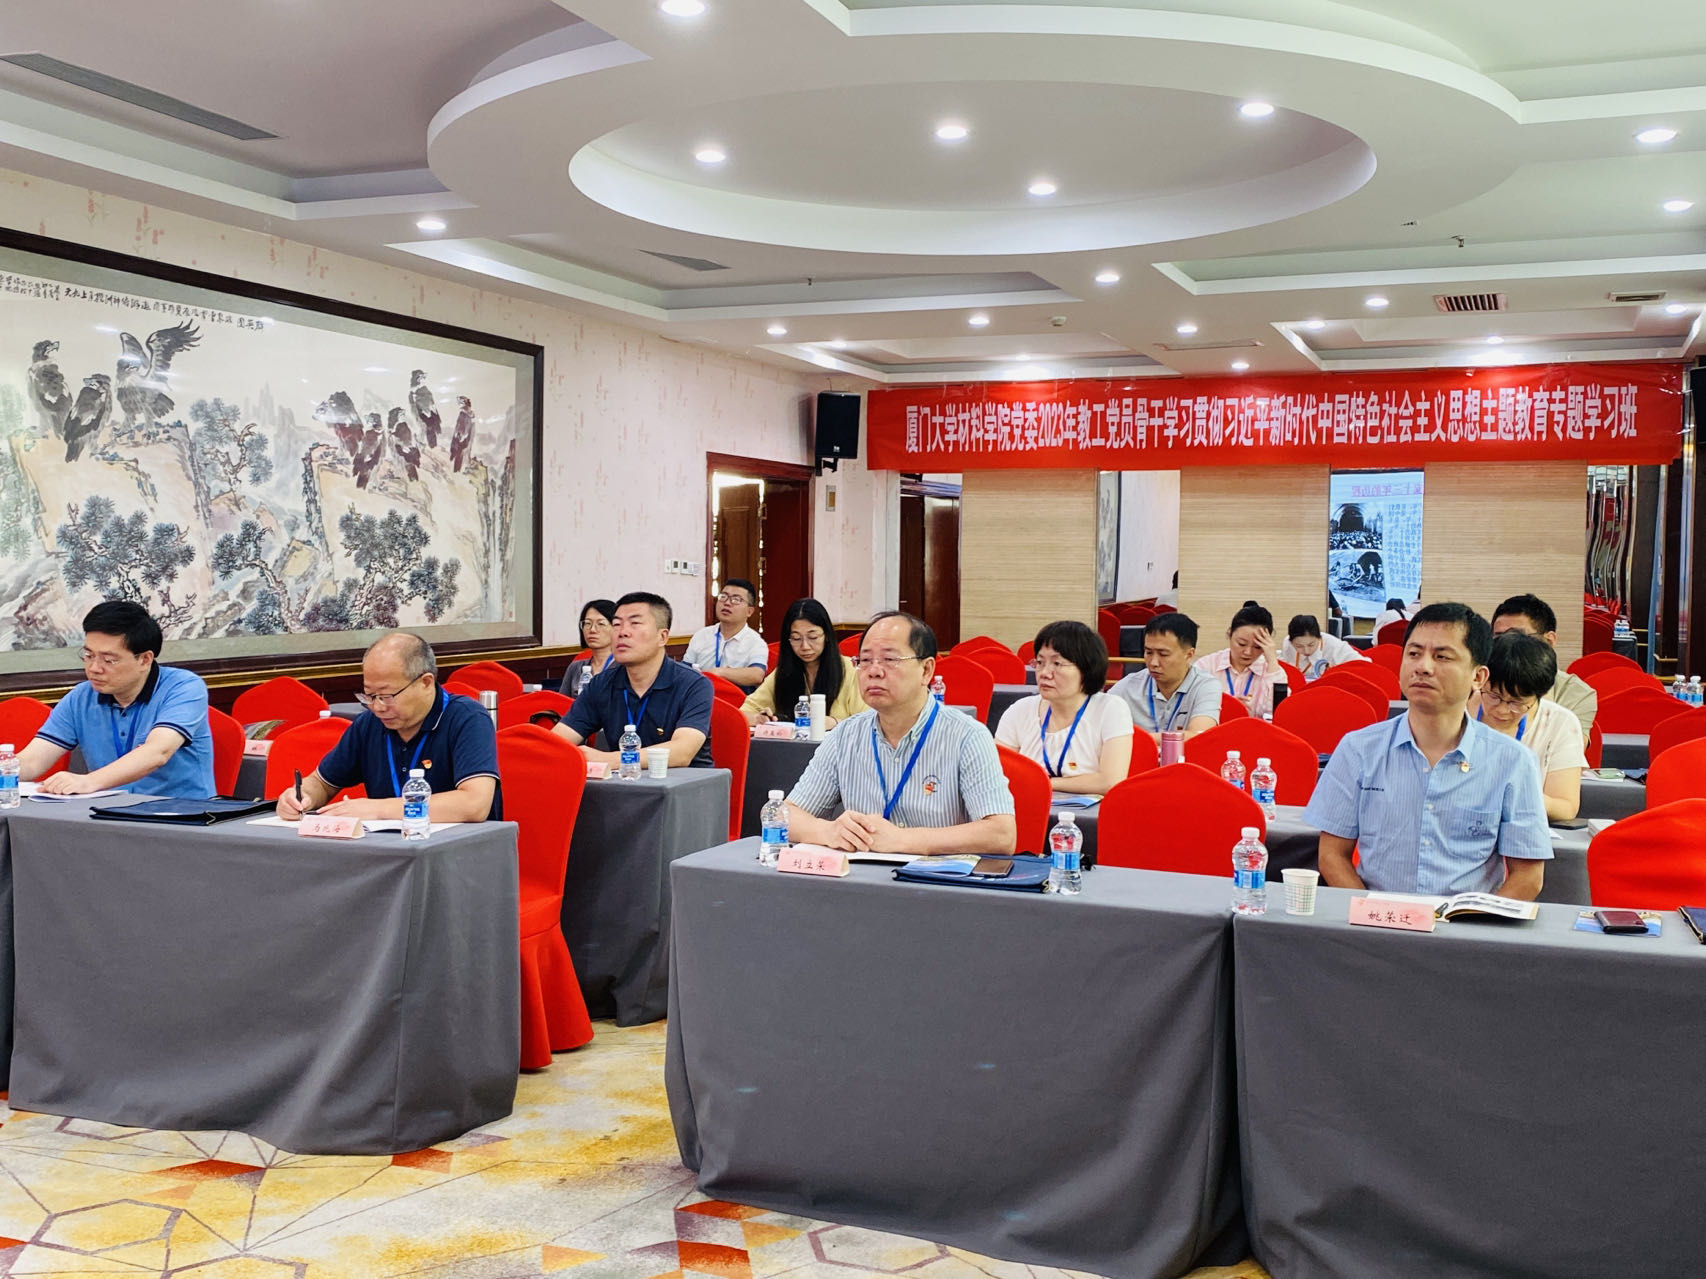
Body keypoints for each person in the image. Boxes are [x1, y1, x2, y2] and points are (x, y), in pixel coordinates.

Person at [1306, 602, 1550, 899]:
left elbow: (1528, 876)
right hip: (1378, 920)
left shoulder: (1512, 761)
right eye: (1413, 653)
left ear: (1478, 677)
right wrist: (1372, 914)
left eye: (1442, 656)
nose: (1423, 667)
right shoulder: (1358, 749)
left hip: (1466, 924)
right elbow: (1332, 855)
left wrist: (1476, 923)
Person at [785, 611, 1015, 854]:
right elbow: (785, 813)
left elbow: (1002, 835)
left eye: (889, 659)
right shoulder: (845, 735)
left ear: (926, 670)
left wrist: (904, 840)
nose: (874, 671)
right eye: (865, 660)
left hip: (936, 875)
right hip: (863, 874)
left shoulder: (967, 736)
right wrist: (829, 831)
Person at [276, 631, 501, 821]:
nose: (377, 707)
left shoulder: (467, 718)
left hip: (456, 852)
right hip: (388, 849)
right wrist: (301, 796)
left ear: (425, 683)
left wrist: (379, 809)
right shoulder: (369, 724)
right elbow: (322, 783)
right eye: (369, 695)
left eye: (387, 696)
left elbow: (474, 804)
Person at [19, 600, 215, 797]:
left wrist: (88, 781)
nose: (94, 668)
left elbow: (158, 752)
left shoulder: (184, 687)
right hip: (108, 810)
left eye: (109, 660)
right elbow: (32, 761)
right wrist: (7, 770)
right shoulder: (81, 697)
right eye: (88, 655)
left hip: (181, 811)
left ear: (144, 659)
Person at [556, 591, 714, 767]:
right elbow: (558, 740)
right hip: (624, 781)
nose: (622, 632)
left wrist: (609, 759)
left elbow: (681, 753)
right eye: (617, 624)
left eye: (635, 624)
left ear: (662, 637)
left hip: (687, 781)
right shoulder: (601, 684)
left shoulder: (694, 684)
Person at [995, 620, 1132, 794]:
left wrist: (1045, 783)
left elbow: (1109, 782)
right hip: (1027, 806)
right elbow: (996, 773)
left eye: (1057, 664)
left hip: (1090, 811)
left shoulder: (1110, 709)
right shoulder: (1020, 710)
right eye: (1040, 662)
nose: (1044, 673)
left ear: (1086, 668)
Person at [1473, 631, 1586, 823]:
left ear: (1539, 696)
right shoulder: (1456, 711)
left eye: (1516, 703)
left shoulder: (1560, 723)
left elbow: (1566, 807)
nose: (1502, 710)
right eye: (1493, 696)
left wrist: (1512, 794)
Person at [741, 597, 866, 727]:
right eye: (796, 638)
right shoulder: (784, 672)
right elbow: (743, 712)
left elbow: (868, 722)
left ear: (827, 635)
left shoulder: (851, 670)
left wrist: (835, 723)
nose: (805, 646)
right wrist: (758, 718)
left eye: (813, 637)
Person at [1490, 593, 1596, 745]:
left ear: (1548, 641)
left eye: (1518, 636)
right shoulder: (1479, 683)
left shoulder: (1576, 693)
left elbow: (1570, 750)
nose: (1507, 645)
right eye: (1499, 637)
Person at [1109, 612, 1220, 741]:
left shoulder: (1205, 685)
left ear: (1189, 655)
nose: (1153, 663)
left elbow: (1199, 736)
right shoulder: (1129, 685)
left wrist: (1135, 739)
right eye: (1148, 652)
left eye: (1163, 654)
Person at [1194, 603, 1289, 719]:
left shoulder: (1271, 671)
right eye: (1241, 644)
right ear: (1229, 634)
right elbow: (1189, 706)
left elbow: (1280, 712)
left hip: (1254, 729)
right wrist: (1226, 708)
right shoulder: (1207, 666)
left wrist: (1272, 660)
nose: (1248, 652)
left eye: (1257, 647)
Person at [682, 578, 768, 689]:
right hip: (700, 695)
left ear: (749, 611)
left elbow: (757, 675)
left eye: (736, 599)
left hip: (736, 698)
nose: (727, 603)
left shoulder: (756, 642)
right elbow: (684, 670)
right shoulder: (701, 635)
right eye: (723, 597)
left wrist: (720, 673)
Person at [1282, 613, 1370, 681]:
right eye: (1299, 646)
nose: (1306, 650)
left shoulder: (1334, 646)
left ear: (1319, 638)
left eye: (1311, 645)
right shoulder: (1287, 644)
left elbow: (1365, 665)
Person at [559, 598, 616, 696]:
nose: (592, 630)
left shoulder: (626, 668)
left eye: (601, 624)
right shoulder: (575, 668)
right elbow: (562, 702)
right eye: (587, 623)